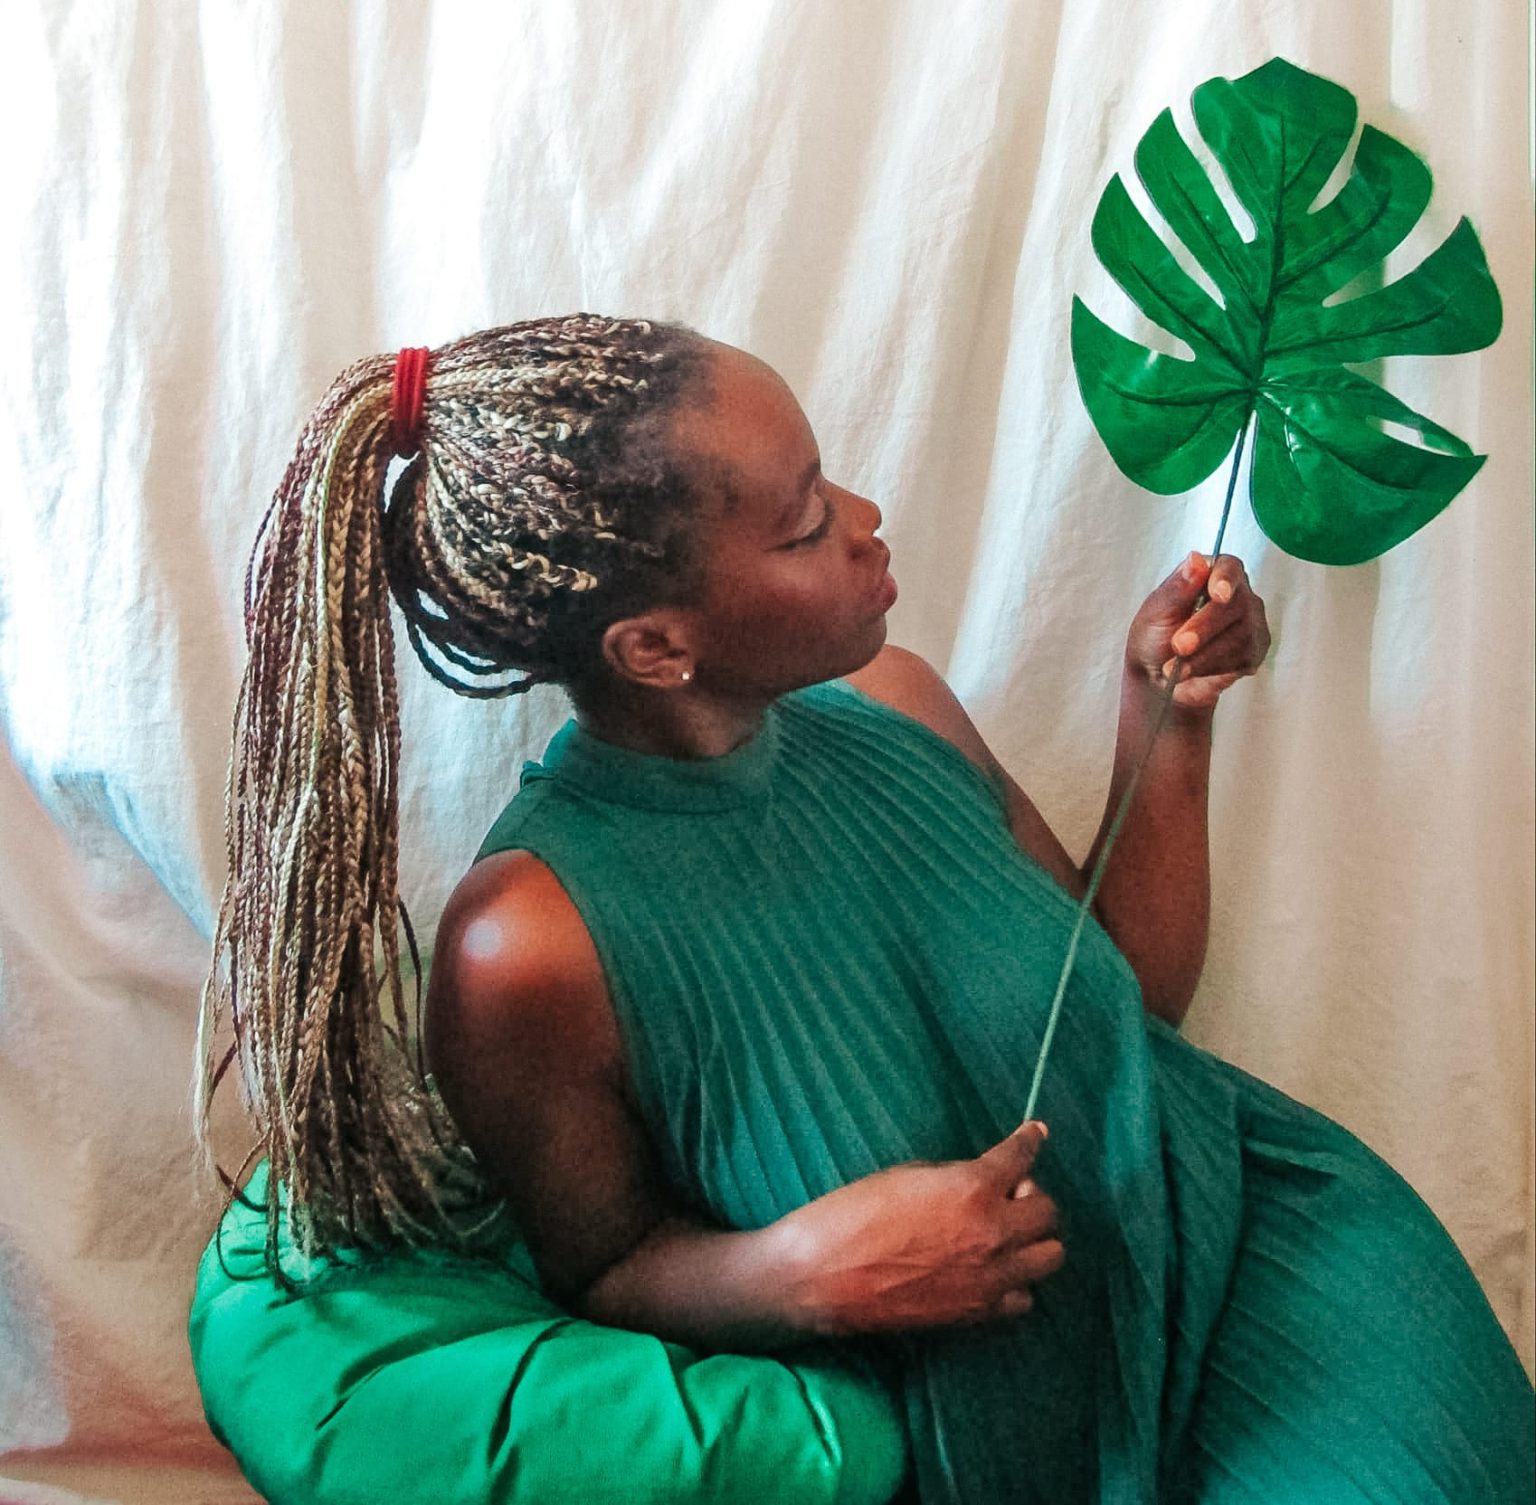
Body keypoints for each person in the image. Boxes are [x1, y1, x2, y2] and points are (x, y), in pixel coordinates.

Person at [199, 315, 1534, 1503]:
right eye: (803, 523)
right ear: (656, 646)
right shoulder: (527, 945)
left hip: (1261, 1249)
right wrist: (801, 1270)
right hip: (996, 1420)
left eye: (829, 479)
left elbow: (1130, 997)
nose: (867, 516)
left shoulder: (896, 700)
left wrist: (1166, 719)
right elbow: (598, 1269)